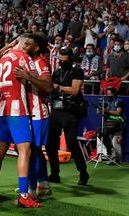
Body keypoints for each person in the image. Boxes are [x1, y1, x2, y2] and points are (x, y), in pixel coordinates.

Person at [0, 35, 41, 208]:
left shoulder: (4, 57)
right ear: (24, 43)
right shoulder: (24, 58)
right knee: (25, 151)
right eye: (27, 44)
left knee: (0, 151)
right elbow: (38, 80)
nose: (28, 47)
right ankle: (24, 195)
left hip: (2, 108)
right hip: (18, 110)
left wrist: (8, 45)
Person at [15, 33, 54, 198]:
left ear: (36, 47)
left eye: (27, 44)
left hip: (39, 113)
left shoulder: (41, 62)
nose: (23, 47)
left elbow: (49, 87)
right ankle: (43, 184)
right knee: (34, 150)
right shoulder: (28, 61)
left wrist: (28, 77)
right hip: (29, 112)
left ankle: (31, 189)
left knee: (31, 151)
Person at [46, 47, 90, 185]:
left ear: (70, 59)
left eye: (64, 59)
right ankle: (54, 173)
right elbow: (49, 87)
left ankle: (83, 173)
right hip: (56, 110)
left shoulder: (77, 71)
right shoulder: (57, 71)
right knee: (51, 143)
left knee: (71, 142)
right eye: (61, 59)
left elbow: (75, 90)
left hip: (71, 111)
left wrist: (58, 87)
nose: (62, 61)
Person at [98, 86, 125, 160]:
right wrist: (101, 112)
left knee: (105, 133)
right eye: (107, 94)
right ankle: (110, 149)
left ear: (114, 94)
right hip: (110, 121)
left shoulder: (119, 101)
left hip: (118, 122)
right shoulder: (108, 102)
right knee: (100, 133)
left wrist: (107, 111)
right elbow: (108, 115)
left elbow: (118, 112)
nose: (109, 96)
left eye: (110, 94)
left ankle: (110, 150)